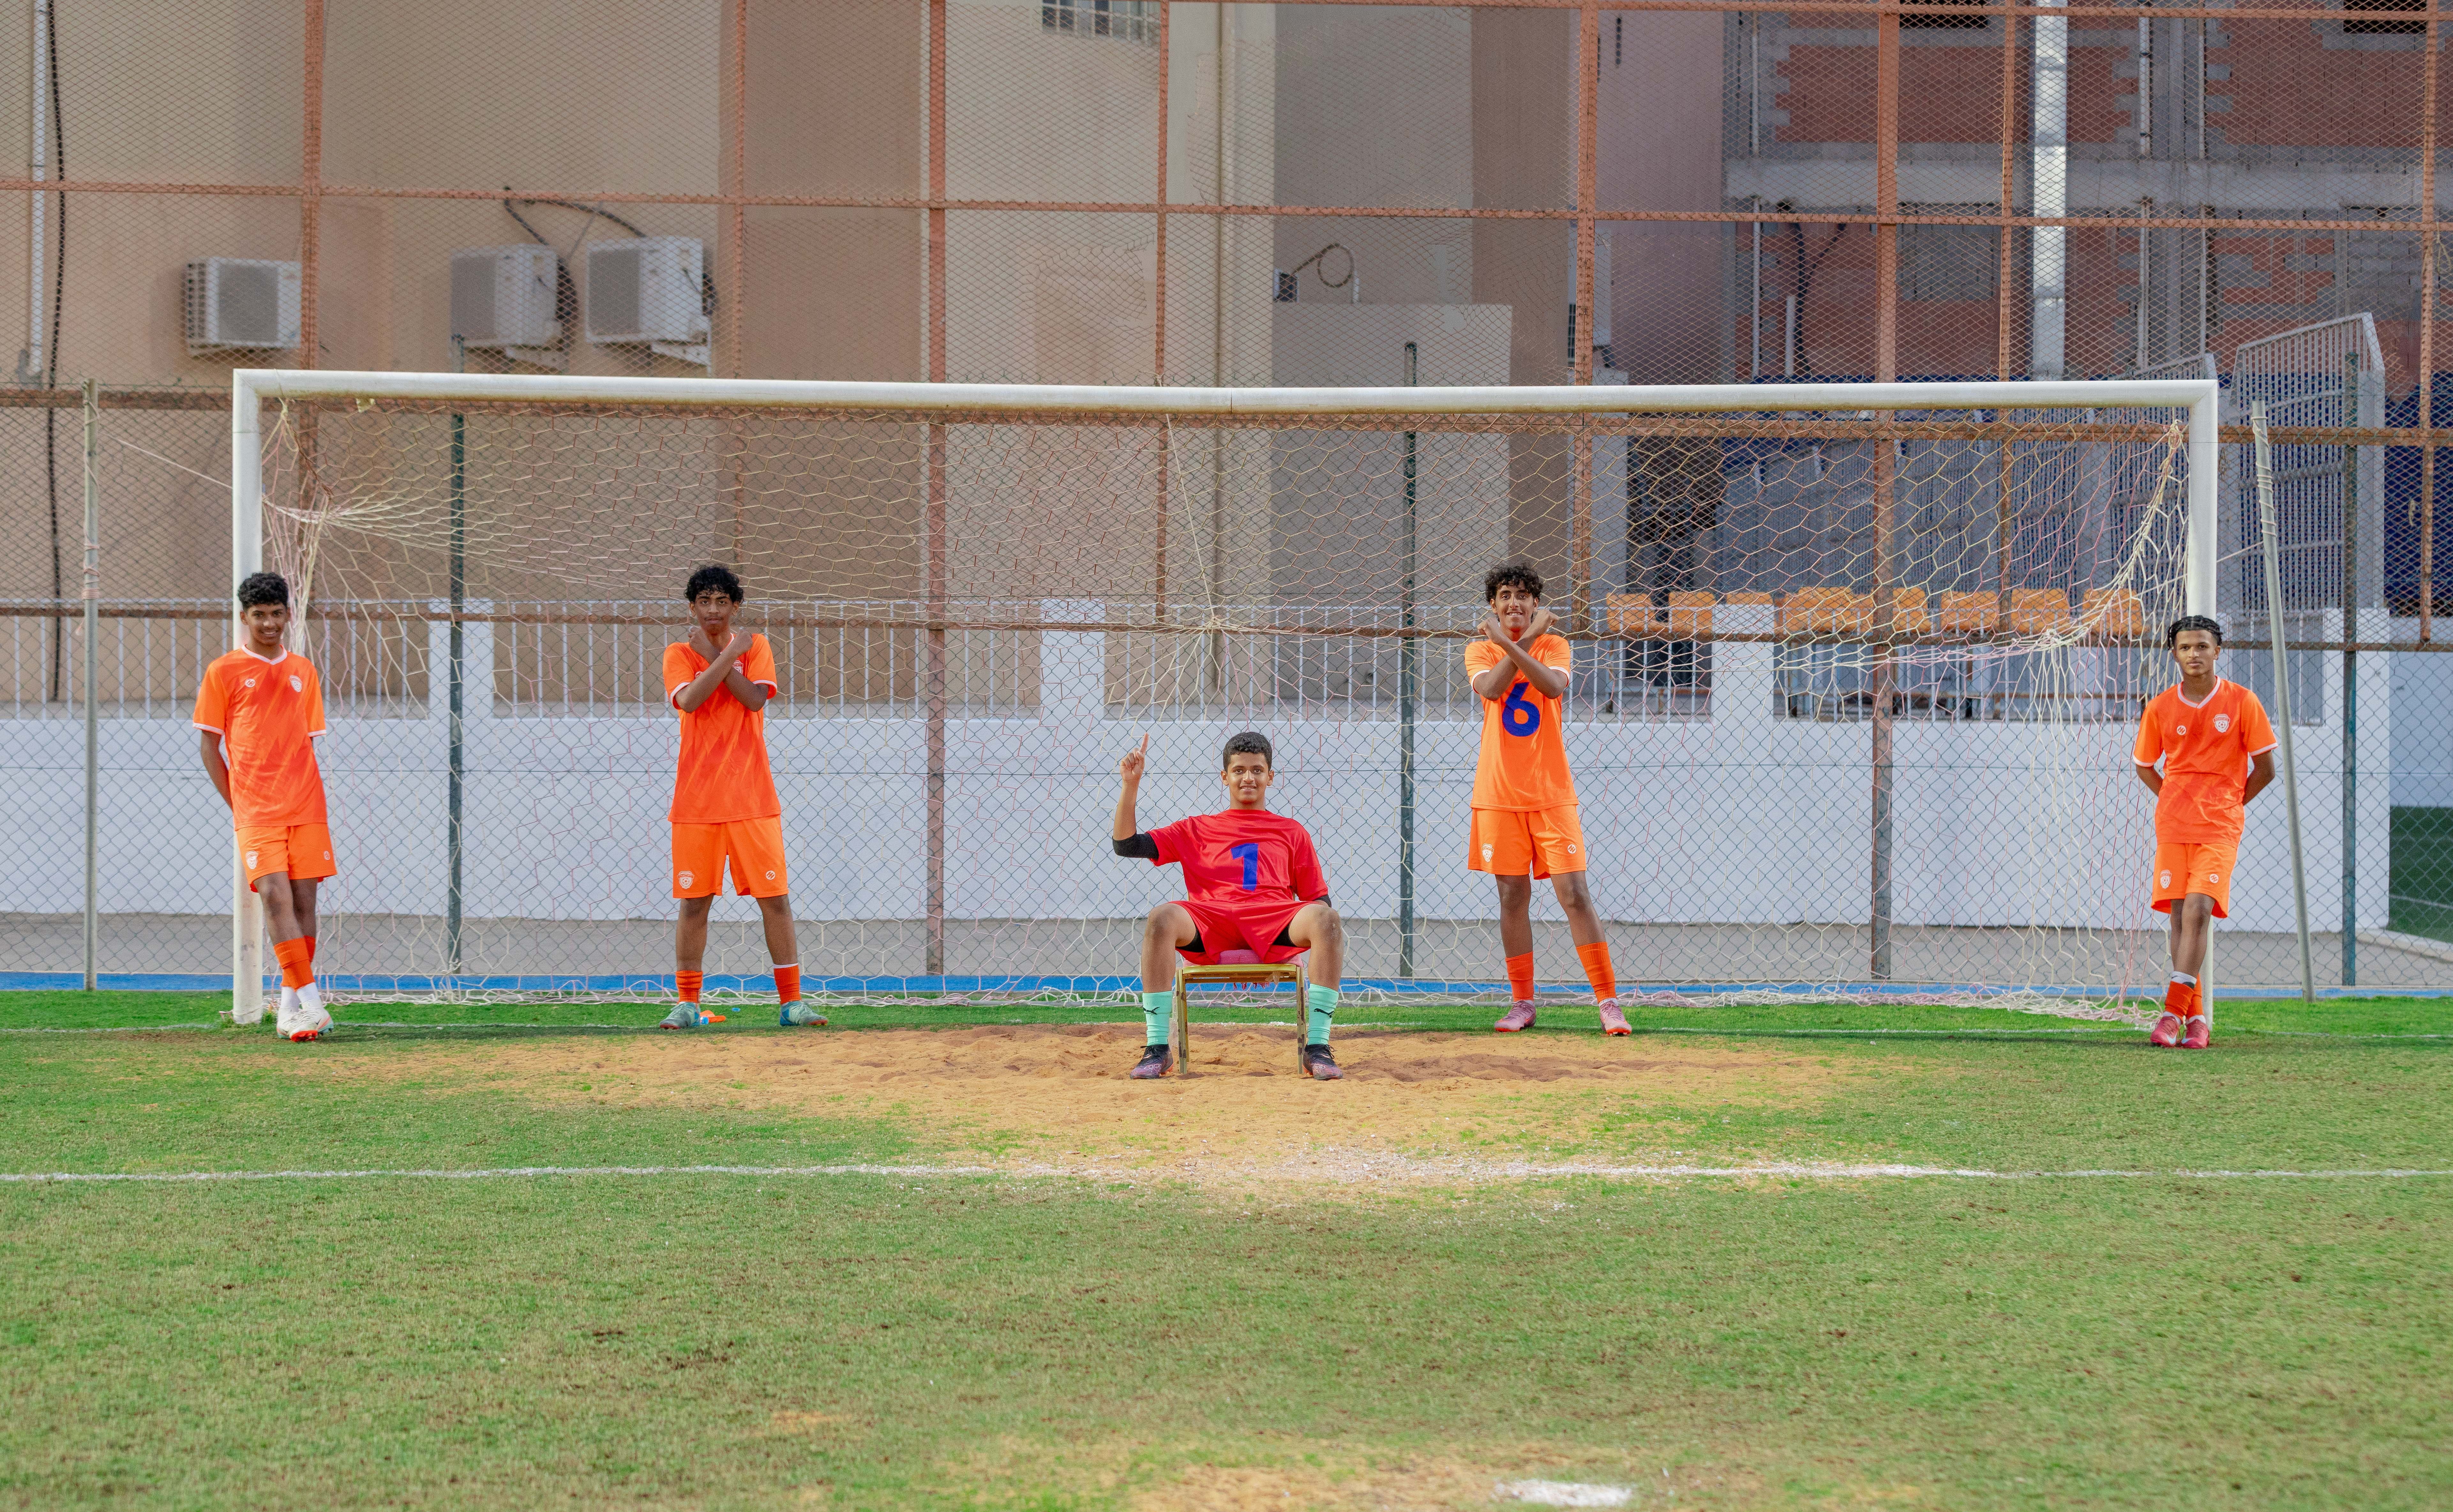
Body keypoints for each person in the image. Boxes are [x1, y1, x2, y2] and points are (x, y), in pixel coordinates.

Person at [1110, 730, 1346, 1080]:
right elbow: (1127, 845)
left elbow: (1318, 900)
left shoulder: (1292, 831)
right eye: (1238, 770)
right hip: (1210, 919)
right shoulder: (1197, 828)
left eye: (1257, 770)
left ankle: (1318, 1047)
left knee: (1327, 919)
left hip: (1272, 918)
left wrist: (1293, 951)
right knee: (1161, 917)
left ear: (1270, 776)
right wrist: (1131, 784)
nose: (1248, 777)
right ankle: (1158, 1047)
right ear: (1225, 777)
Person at [1467, 561, 1630, 1035]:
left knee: (1574, 894)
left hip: (1551, 793)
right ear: (1493, 605)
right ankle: (1522, 1002)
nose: (1513, 602)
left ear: (1536, 603)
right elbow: (1494, 690)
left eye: (1522, 594)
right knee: (1512, 895)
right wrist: (1506, 642)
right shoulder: (1479, 650)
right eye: (1504, 594)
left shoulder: (1554, 644)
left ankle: (1608, 1001)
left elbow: (1552, 686)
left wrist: (1513, 641)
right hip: (1498, 796)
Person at [658, 565, 823, 1030]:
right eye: (704, 601)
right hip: (697, 803)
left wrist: (722, 653)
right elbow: (689, 701)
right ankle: (688, 1004)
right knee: (695, 903)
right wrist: (729, 652)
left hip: (753, 799)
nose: (713, 609)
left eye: (722, 601)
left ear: (735, 606)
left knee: (775, 899)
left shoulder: (758, 648)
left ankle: (792, 1003)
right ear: (692, 606)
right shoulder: (679, 652)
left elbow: (754, 699)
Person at [195, 571, 334, 1042]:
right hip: (255, 811)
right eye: (259, 615)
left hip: (306, 805)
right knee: (274, 896)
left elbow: (307, 746)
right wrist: (240, 805)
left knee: (303, 900)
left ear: (288, 615)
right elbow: (209, 748)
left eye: (277, 614)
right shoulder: (223, 671)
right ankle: (315, 1003)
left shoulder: (304, 672)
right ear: (244, 617)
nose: (269, 623)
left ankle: (291, 1005)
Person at [2132, 614, 2276, 1050]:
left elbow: (2266, 769)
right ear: (2173, 653)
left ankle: (2171, 1012)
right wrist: (2173, 798)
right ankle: (2196, 1019)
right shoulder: (2159, 706)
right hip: (2174, 825)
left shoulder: (2242, 701)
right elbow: (2144, 765)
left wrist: (2229, 805)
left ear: (2218, 651)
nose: (2193, 654)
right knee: (2178, 915)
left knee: (2198, 909)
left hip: (2219, 826)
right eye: (2185, 647)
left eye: (2202, 646)